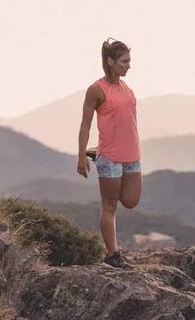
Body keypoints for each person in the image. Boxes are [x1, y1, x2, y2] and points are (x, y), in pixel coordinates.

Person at [77, 37, 142, 269]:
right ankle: (113, 254)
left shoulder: (126, 88)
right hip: (111, 157)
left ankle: (97, 150)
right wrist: (81, 155)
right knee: (110, 205)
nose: (129, 66)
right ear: (110, 61)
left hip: (132, 154)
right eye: (124, 61)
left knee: (131, 200)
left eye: (129, 61)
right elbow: (85, 123)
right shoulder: (97, 90)